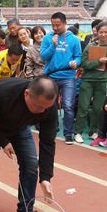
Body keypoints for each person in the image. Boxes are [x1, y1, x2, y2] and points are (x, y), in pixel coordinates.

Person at [0, 77, 58, 212]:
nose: (42, 111)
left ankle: (26, 211)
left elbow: (48, 142)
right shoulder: (3, 92)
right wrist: (3, 142)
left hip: (19, 128)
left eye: (46, 108)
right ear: (27, 94)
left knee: (31, 165)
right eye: (39, 107)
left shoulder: (49, 108)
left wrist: (46, 177)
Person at [40, 12, 82, 145]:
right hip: (51, 76)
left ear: (65, 23)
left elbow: (78, 56)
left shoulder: (74, 39)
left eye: (58, 25)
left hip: (68, 76)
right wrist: (53, 45)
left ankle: (68, 133)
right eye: (53, 25)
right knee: (50, 105)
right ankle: (53, 128)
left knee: (68, 106)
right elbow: (43, 57)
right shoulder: (47, 38)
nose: (55, 28)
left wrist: (76, 62)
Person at [74, 22, 107, 144]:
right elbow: (84, 64)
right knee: (83, 107)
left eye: (106, 32)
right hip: (88, 80)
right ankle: (78, 132)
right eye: (101, 32)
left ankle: (93, 131)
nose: (103, 34)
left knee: (97, 108)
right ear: (96, 33)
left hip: (102, 80)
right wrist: (99, 61)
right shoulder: (90, 47)